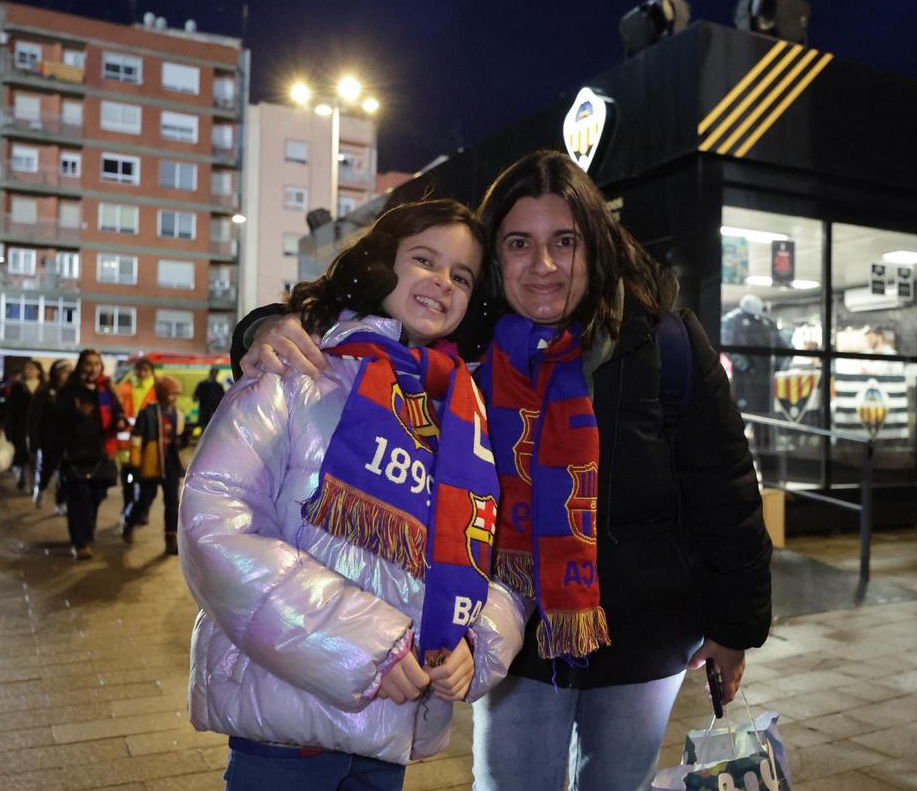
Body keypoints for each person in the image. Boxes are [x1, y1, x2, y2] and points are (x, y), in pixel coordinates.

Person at [240, 150, 773, 791]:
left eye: (565, 241)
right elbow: (354, 332)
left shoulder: (662, 341)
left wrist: (735, 628)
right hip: (513, 641)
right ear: (496, 255)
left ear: (596, 244)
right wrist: (263, 327)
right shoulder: (465, 342)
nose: (543, 265)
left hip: (645, 638)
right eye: (519, 243)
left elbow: (725, 489)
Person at [180, 199, 526, 790]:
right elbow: (213, 525)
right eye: (425, 260)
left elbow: (492, 552)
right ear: (379, 264)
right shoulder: (298, 370)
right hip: (286, 735)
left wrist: (477, 641)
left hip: (389, 737)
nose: (443, 282)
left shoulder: (462, 413)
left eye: (462, 276)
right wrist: (368, 648)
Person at [58, 349, 125, 560]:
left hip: (100, 453)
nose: (92, 368)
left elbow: (117, 413)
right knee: (79, 498)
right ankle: (80, 542)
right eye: (88, 363)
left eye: (96, 364)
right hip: (75, 454)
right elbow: (57, 420)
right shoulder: (70, 391)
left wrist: (119, 421)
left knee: (97, 495)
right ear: (80, 366)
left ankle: (86, 530)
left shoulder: (106, 390)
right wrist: (77, 414)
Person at [123, 375, 185, 555]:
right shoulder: (147, 413)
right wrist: (135, 464)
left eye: (176, 393)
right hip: (151, 464)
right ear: (162, 394)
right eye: (172, 393)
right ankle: (129, 522)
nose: (175, 397)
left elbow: (178, 441)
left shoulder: (177, 415)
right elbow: (136, 439)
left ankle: (171, 538)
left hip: (170, 465)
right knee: (145, 499)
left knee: (172, 502)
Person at [28, 360, 72, 512]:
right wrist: (34, 438)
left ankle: (61, 502)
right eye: (64, 371)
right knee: (47, 468)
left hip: (67, 439)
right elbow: (35, 416)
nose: (67, 375)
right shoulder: (45, 391)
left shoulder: (72, 391)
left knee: (66, 472)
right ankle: (41, 489)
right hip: (49, 438)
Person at [118, 357, 156, 523]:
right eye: (139, 369)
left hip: (148, 445)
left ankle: (141, 510)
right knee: (129, 480)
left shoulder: (156, 390)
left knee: (147, 482)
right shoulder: (125, 388)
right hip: (127, 445)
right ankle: (128, 506)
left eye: (145, 370)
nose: (142, 373)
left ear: (151, 372)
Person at [2, 360, 44, 491]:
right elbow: (10, 408)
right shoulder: (17, 387)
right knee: (21, 454)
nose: (28, 371)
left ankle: (33, 482)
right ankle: (21, 476)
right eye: (26, 368)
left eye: (31, 368)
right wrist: (8, 427)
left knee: (35, 456)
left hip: (39, 427)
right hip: (20, 426)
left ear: (38, 371)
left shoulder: (44, 387)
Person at [192, 367, 226, 433]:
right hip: (206, 412)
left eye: (216, 374)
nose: (215, 375)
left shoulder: (217, 386)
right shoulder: (204, 384)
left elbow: (223, 398)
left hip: (210, 412)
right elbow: (195, 397)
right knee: (208, 429)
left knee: (209, 429)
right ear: (211, 373)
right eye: (214, 373)